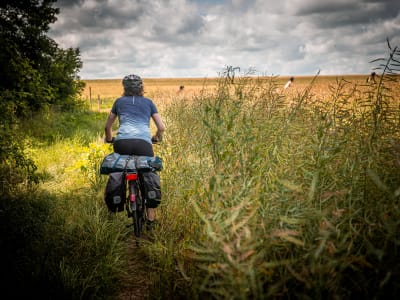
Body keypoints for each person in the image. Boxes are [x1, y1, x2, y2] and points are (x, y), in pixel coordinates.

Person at [104, 74, 165, 228]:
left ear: (124, 88)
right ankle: (151, 219)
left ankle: (119, 200)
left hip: (122, 143)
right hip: (144, 144)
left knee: (120, 168)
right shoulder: (149, 103)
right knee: (148, 171)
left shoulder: (118, 102)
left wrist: (110, 138)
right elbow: (161, 128)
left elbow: (107, 127)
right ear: (141, 88)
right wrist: (157, 137)